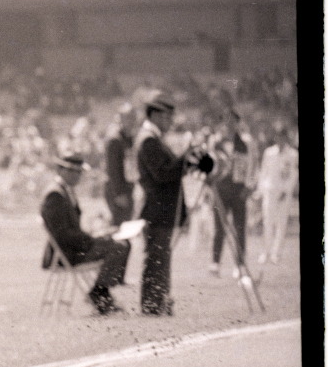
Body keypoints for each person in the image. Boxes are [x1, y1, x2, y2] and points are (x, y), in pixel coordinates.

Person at [135, 91, 212, 316]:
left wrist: (187, 160)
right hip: (157, 208)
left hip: (162, 208)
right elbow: (162, 173)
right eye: (167, 116)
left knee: (160, 258)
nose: (170, 121)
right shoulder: (148, 139)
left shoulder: (153, 138)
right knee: (156, 259)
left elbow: (168, 170)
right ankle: (152, 305)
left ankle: (159, 301)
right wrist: (186, 156)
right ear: (156, 115)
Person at [41, 153, 131, 315]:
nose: (79, 176)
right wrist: (93, 238)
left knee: (121, 242)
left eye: (80, 172)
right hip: (67, 254)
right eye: (76, 172)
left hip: (74, 247)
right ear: (64, 171)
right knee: (119, 246)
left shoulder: (65, 191)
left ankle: (101, 293)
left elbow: (71, 231)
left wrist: (99, 234)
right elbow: (62, 235)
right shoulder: (55, 195)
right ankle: (99, 294)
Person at [206, 109, 257, 279]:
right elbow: (208, 166)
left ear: (237, 123)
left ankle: (240, 266)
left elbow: (252, 165)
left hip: (238, 190)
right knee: (219, 228)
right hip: (220, 190)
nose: (228, 125)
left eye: (232, 122)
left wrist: (248, 187)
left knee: (239, 228)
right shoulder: (214, 142)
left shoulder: (246, 142)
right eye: (225, 121)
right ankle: (215, 263)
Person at [255, 122, 299, 265]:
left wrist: (286, 191)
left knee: (281, 223)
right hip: (270, 191)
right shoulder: (269, 152)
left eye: (282, 137)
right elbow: (263, 172)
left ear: (286, 138)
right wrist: (260, 191)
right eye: (278, 137)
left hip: (283, 194)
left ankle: (276, 253)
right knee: (268, 222)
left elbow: (293, 175)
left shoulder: (292, 154)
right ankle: (266, 252)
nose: (280, 140)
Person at [102, 102, 137, 226]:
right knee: (120, 225)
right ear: (120, 119)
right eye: (128, 118)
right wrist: (119, 193)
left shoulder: (128, 138)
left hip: (127, 187)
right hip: (117, 189)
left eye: (134, 118)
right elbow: (113, 169)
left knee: (126, 224)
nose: (132, 121)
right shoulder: (115, 139)